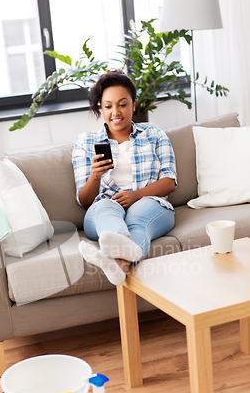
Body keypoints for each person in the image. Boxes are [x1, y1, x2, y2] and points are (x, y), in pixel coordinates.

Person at [72, 70, 177, 286]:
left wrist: (136, 195)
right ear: (101, 108)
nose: (115, 112)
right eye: (108, 106)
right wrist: (95, 176)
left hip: (150, 203)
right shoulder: (85, 142)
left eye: (122, 104)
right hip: (104, 208)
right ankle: (120, 261)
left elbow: (170, 180)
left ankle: (114, 262)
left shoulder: (154, 133)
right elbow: (84, 201)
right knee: (106, 208)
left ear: (134, 104)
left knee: (137, 219)